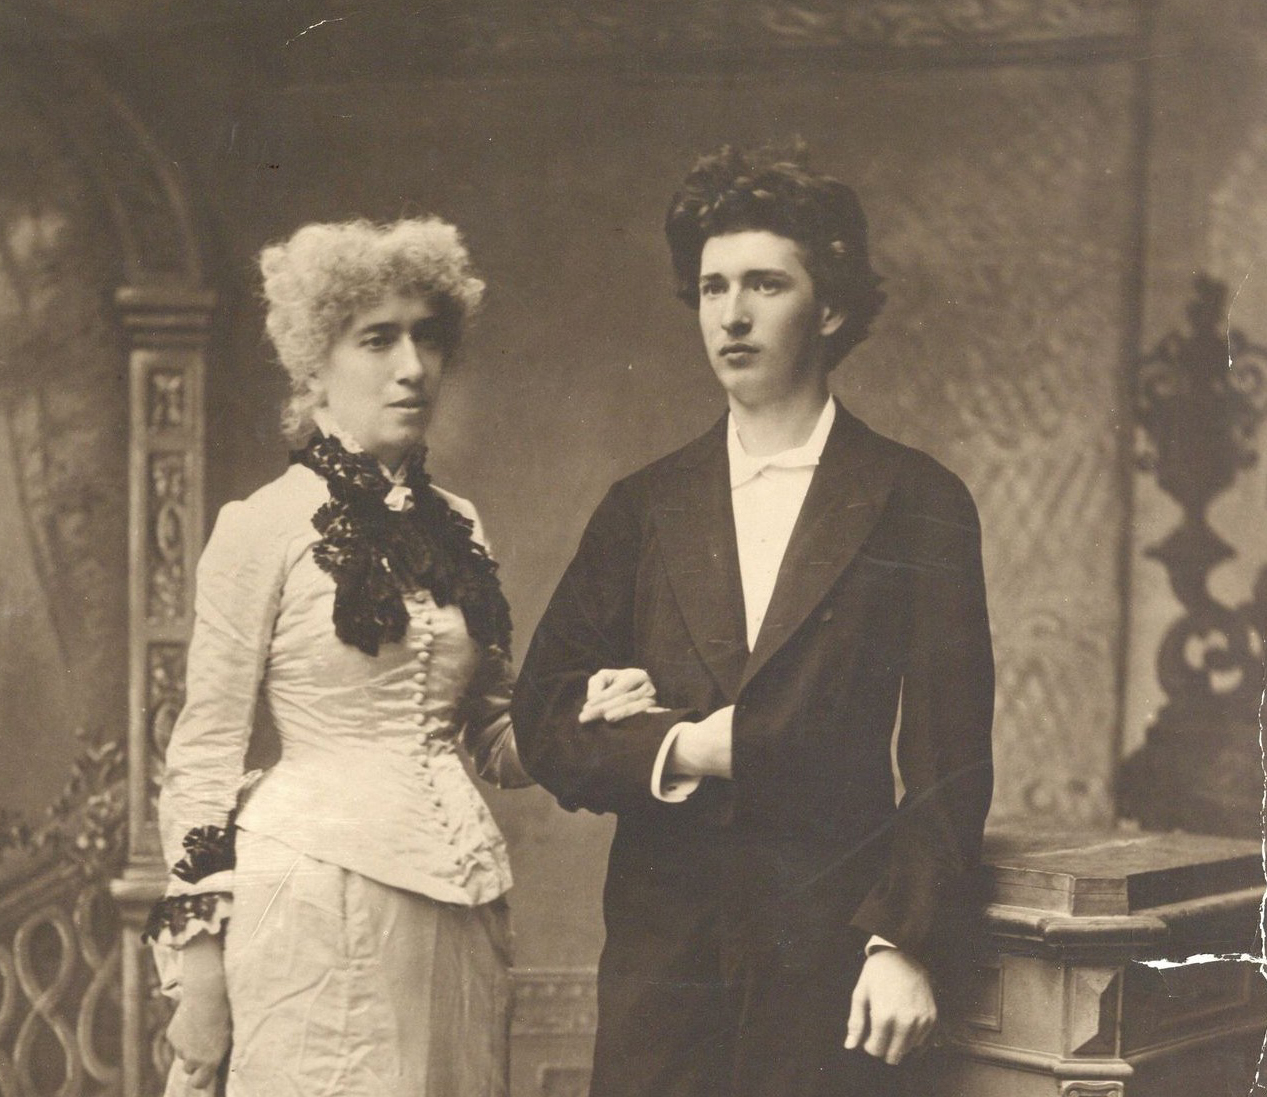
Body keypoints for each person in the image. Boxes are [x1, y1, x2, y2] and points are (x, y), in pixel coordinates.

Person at [513, 144, 995, 1097]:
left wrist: (902, 940)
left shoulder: (915, 498)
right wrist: (680, 747)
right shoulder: (643, 506)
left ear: (831, 308)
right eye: (711, 287)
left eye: (765, 284)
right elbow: (542, 715)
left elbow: (949, 759)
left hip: (831, 962)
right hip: (663, 971)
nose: (730, 314)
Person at [145, 216, 657, 1097]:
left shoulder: (458, 525)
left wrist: (582, 713)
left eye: (427, 337)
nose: (413, 366)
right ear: (314, 363)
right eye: (377, 339)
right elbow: (202, 758)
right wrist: (198, 969)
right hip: (311, 898)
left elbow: (494, 736)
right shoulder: (262, 526)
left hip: (458, 904)